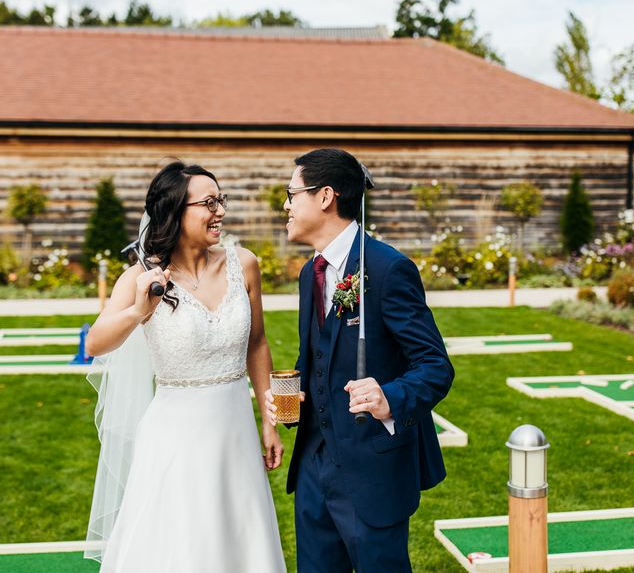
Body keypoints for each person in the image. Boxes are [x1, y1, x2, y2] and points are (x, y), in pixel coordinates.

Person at [85, 161, 286, 572]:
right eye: (208, 203)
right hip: (174, 439)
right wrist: (138, 311)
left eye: (221, 200)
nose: (220, 212)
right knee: (179, 546)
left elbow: (258, 343)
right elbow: (95, 342)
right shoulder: (142, 278)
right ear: (176, 212)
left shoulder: (243, 263)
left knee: (240, 542)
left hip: (236, 433)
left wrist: (271, 421)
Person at [265, 148, 454, 572]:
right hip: (314, 469)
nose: (286, 205)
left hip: (373, 473)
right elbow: (314, 359)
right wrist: (288, 402)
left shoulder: (389, 269)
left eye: (291, 193)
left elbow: (435, 366)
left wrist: (389, 395)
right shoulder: (308, 274)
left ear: (325, 196)